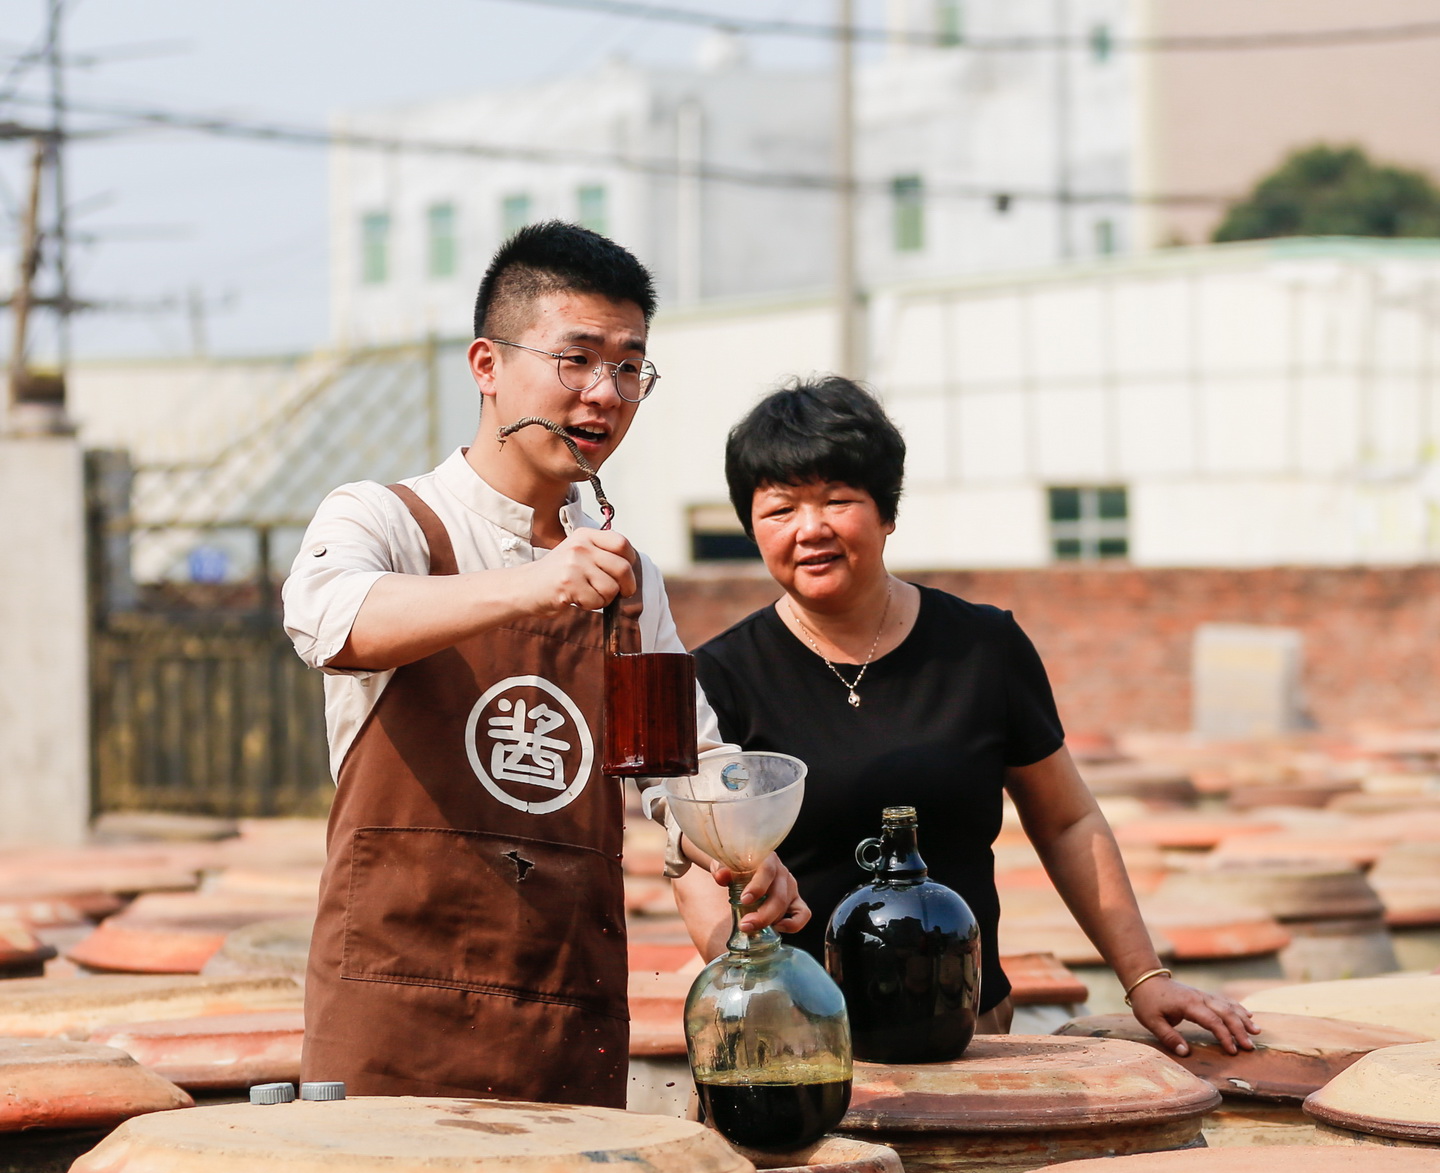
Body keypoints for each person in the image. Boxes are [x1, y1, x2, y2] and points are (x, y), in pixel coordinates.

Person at [282, 222, 802, 1106]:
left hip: (565, 1002)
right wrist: (533, 584)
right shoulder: (389, 520)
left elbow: (679, 766)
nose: (605, 393)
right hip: (392, 1007)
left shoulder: (624, 574)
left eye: (630, 366)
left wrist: (739, 851)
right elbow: (331, 619)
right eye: (576, 359)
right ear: (486, 364)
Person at [670, 376, 1254, 1055]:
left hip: (965, 1029)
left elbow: (1067, 820)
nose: (810, 529)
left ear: (886, 513)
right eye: (779, 509)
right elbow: (691, 858)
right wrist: (751, 1000)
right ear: (750, 526)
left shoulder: (982, 646)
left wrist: (1144, 975)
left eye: (837, 500)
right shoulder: (717, 675)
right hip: (798, 1040)